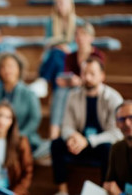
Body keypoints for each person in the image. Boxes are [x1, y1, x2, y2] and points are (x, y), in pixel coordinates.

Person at [51, 56, 123, 195]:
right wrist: (73, 136)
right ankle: (62, 191)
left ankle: (103, 191)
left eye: (92, 73)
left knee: (110, 149)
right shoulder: (73, 95)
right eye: (84, 73)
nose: (88, 77)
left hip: (99, 146)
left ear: (102, 75)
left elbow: (116, 133)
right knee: (56, 144)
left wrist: (88, 141)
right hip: (78, 145)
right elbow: (66, 125)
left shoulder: (113, 98)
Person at [0, 53, 46, 158]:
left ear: (19, 69)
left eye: (10, 66)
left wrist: (17, 136)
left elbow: (35, 119)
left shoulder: (29, 93)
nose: (6, 70)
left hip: (22, 138)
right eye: (2, 66)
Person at [49, 22, 105, 139]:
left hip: (90, 87)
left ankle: (57, 133)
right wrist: (65, 80)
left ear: (91, 37)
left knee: (63, 93)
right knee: (60, 91)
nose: (79, 37)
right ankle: (54, 132)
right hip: (73, 87)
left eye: (83, 34)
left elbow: (96, 77)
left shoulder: (97, 55)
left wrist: (79, 81)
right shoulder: (70, 56)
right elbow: (67, 75)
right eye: (77, 34)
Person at [40, 0, 79, 89]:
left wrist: (67, 48)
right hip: (55, 53)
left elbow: (79, 43)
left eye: (61, 3)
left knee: (57, 58)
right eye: (57, 4)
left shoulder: (77, 22)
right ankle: (54, 88)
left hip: (70, 55)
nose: (59, 6)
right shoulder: (50, 22)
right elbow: (47, 41)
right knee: (57, 60)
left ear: (70, 5)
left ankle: (44, 80)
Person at [103, 100, 132, 195]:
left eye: (131, 117)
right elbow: (110, 182)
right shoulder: (116, 148)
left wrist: (120, 194)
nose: (127, 123)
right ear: (116, 124)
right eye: (121, 120)